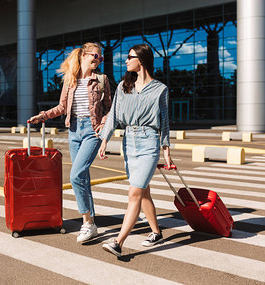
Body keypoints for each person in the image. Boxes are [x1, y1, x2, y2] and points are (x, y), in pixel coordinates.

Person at [29, 42, 112, 243]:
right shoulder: (70, 80)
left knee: (75, 175)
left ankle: (87, 223)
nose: (98, 60)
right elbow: (62, 107)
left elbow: (110, 108)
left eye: (101, 58)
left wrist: (103, 124)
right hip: (74, 131)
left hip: (92, 131)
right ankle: (91, 222)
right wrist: (43, 116)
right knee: (82, 178)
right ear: (83, 56)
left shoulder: (102, 80)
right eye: (95, 56)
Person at [98, 44, 173, 257]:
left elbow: (165, 121)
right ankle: (157, 232)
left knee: (134, 192)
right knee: (143, 191)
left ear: (141, 60)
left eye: (130, 57)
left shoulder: (160, 89)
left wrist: (166, 149)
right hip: (129, 142)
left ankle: (118, 242)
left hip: (149, 142)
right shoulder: (123, 86)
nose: (126, 61)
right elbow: (113, 115)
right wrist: (104, 139)